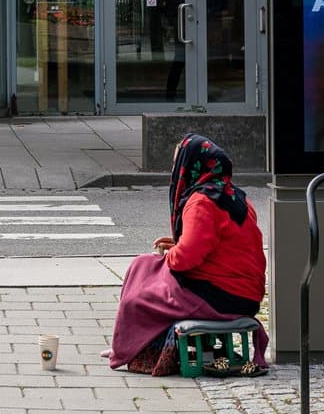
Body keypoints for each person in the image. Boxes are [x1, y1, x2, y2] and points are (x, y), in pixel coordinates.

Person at [109, 133, 269, 375]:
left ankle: (128, 347)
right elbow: (221, 246)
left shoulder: (201, 201)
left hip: (220, 296)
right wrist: (178, 245)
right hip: (247, 296)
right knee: (146, 267)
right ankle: (129, 345)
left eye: (177, 163)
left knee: (139, 289)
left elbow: (185, 260)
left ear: (189, 166)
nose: (175, 169)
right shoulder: (237, 198)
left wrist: (171, 253)